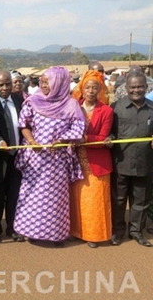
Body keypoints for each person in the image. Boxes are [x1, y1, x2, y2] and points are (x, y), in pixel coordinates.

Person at [14, 66, 85, 247]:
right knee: (32, 196)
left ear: (59, 83)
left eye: (47, 82)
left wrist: (62, 140)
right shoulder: (33, 101)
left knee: (56, 198)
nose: (43, 86)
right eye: (42, 82)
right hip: (35, 159)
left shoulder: (71, 105)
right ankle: (30, 231)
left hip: (57, 160)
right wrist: (31, 141)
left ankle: (56, 234)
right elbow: (24, 124)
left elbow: (77, 128)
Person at [106, 70, 153, 247]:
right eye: (133, 87)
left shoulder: (152, 107)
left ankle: (136, 232)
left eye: (140, 86)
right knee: (118, 200)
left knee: (141, 200)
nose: (137, 90)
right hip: (121, 163)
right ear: (126, 88)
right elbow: (108, 130)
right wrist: (109, 138)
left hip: (145, 163)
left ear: (146, 87)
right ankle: (118, 231)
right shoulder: (116, 108)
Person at [69, 70, 113, 248]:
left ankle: (94, 235)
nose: (91, 91)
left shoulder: (107, 111)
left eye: (95, 87)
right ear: (82, 88)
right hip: (76, 162)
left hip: (97, 163)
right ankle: (76, 232)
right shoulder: (74, 107)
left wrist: (84, 139)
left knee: (95, 202)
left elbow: (103, 137)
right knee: (76, 199)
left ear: (100, 90)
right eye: (87, 87)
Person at [0, 71, 25, 243]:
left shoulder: (19, 100)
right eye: (1, 85)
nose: (5, 88)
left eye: (8, 84)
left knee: (14, 194)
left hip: (17, 157)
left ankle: (12, 228)